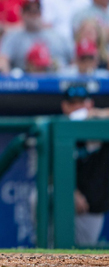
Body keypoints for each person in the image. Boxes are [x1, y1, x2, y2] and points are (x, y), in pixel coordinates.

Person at [60, 84, 109, 246]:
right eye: (73, 103)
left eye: (82, 103)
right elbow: (45, 173)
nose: (78, 107)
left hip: (91, 206)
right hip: (61, 200)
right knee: (37, 198)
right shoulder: (56, 127)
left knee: (81, 254)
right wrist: (71, 192)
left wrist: (95, 114)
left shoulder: (100, 122)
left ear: (90, 104)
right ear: (65, 106)